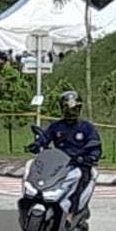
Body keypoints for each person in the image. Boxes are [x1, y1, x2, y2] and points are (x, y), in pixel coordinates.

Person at [28, 91, 101, 222]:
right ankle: (33, 200)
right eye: (67, 108)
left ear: (79, 108)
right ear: (62, 108)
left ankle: (72, 213)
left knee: (80, 179)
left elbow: (95, 144)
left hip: (80, 163)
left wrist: (91, 157)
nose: (70, 112)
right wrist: (36, 144)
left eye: (74, 108)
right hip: (60, 163)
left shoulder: (87, 127)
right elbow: (45, 137)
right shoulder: (56, 126)